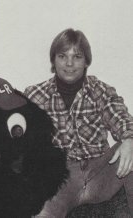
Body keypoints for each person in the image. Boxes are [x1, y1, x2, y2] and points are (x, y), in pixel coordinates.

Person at [24, 28, 133, 217]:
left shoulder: (100, 90)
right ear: (53, 60)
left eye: (77, 56)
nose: (69, 63)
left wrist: (129, 139)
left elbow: (121, 118)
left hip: (101, 171)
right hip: (61, 178)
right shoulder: (35, 95)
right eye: (62, 56)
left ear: (86, 61)